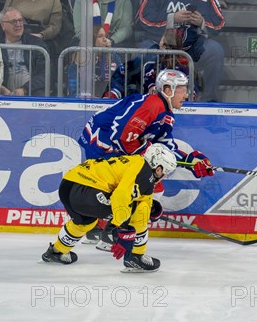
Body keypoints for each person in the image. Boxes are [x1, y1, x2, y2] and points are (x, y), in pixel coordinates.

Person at [79, 69, 214, 246]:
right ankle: (111, 232)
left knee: (141, 185)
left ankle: (100, 229)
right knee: (143, 185)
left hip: (112, 143)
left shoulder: (166, 114)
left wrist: (190, 160)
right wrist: (149, 153)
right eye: (182, 89)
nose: (186, 94)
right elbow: (123, 135)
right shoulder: (152, 105)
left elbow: (165, 146)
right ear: (168, 90)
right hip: (100, 142)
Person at [41, 143, 178, 272]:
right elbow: (121, 195)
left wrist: (153, 208)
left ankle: (57, 251)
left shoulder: (137, 163)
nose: (165, 176)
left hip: (69, 185)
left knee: (85, 221)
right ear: (158, 168)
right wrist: (120, 227)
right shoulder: (145, 171)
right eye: (165, 172)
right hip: (86, 190)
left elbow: (140, 197)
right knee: (139, 212)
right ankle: (135, 257)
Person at [137, 0, 225, 102]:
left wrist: (202, 22)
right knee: (143, 51)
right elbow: (143, 19)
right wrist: (172, 18)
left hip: (193, 46)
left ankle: (209, 101)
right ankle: (145, 99)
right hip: (161, 44)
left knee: (215, 50)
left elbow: (219, 23)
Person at [103, 27, 199, 99]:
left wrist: (187, 96)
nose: (166, 49)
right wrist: (115, 92)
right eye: (164, 45)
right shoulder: (149, 58)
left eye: (170, 47)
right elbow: (123, 72)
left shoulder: (184, 65)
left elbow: (191, 90)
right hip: (150, 104)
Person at [0, 7, 49, 96]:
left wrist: (25, 89)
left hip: (31, 91)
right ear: (3, 25)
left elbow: (46, 74)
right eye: (13, 21)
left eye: (20, 20)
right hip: (0, 91)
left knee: (41, 95)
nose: (18, 24)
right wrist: (0, 88)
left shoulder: (36, 44)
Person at [67, 23, 123, 96]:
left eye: (105, 36)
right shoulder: (77, 62)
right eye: (100, 36)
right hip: (84, 103)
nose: (105, 39)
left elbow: (121, 81)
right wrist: (88, 98)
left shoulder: (113, 56)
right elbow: (73, 90)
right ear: (90, 40)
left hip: (108, 101)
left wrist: (110, 96)